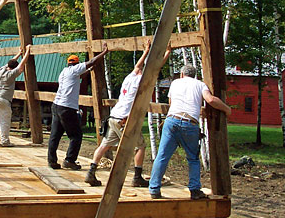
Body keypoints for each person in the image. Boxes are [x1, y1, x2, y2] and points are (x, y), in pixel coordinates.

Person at [85, 43, 171, 187]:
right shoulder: (141, 81)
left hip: (114, 116)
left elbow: (137, 66)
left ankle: (91, 172)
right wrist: (167, 52)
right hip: (124, 119)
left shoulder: (129, 78)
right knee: (141, 146)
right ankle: (137, 177)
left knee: (104, 145)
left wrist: (145, 51)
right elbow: (156, 68)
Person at [148, 64, 231, 200]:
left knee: (162, 156)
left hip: (171, 121)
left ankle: (154, 189)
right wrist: (227, 109)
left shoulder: (175, 83)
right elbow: (210, 100)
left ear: (182, 74)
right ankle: (194, 190)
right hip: (189, 123)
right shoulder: (200, 85)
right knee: (192, 158)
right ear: (195, 75)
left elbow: (171, 102)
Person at [48, 44, 108, 169]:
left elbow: (79, 76)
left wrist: (89, 71)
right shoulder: (75, 69)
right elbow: (91, 61)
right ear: (77, 63)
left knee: (55, 135)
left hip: (56, 105)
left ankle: (52, 161)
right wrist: (103, 53)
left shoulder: (64, 72)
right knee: (76, 135)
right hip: (67, 107)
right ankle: (70, 160)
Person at [0, 46, 31, 147]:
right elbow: (21, 65)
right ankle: (5, 141)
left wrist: (19, 54)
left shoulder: (1, 70)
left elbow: (11, 62)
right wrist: (27, 52)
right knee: (4, 121)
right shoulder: (11, 74)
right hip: (3, 99)